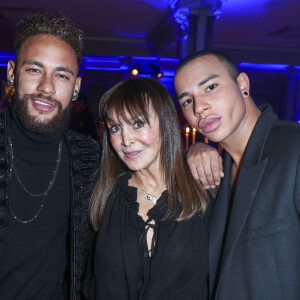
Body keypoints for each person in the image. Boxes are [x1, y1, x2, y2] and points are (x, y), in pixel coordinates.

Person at [174, 50, 300, 300]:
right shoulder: (214, 174)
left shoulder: (293, 148)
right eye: (187, 101)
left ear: (242, 84)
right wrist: (192, 151)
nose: (199, 108)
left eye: (210, 87)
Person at [0, 13, 99, 299]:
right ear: (11, 72)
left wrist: (200, 153)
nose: (47, 87)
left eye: (61, 75)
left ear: (76, 87)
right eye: (34, 70)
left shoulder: (91, 159)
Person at [83, 77, 210, 300]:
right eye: (115, 128)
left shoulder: (202, 192)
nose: (126, 140)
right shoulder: (103, 196)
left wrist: (201, 148)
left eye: (138, 124)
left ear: (166, 122)